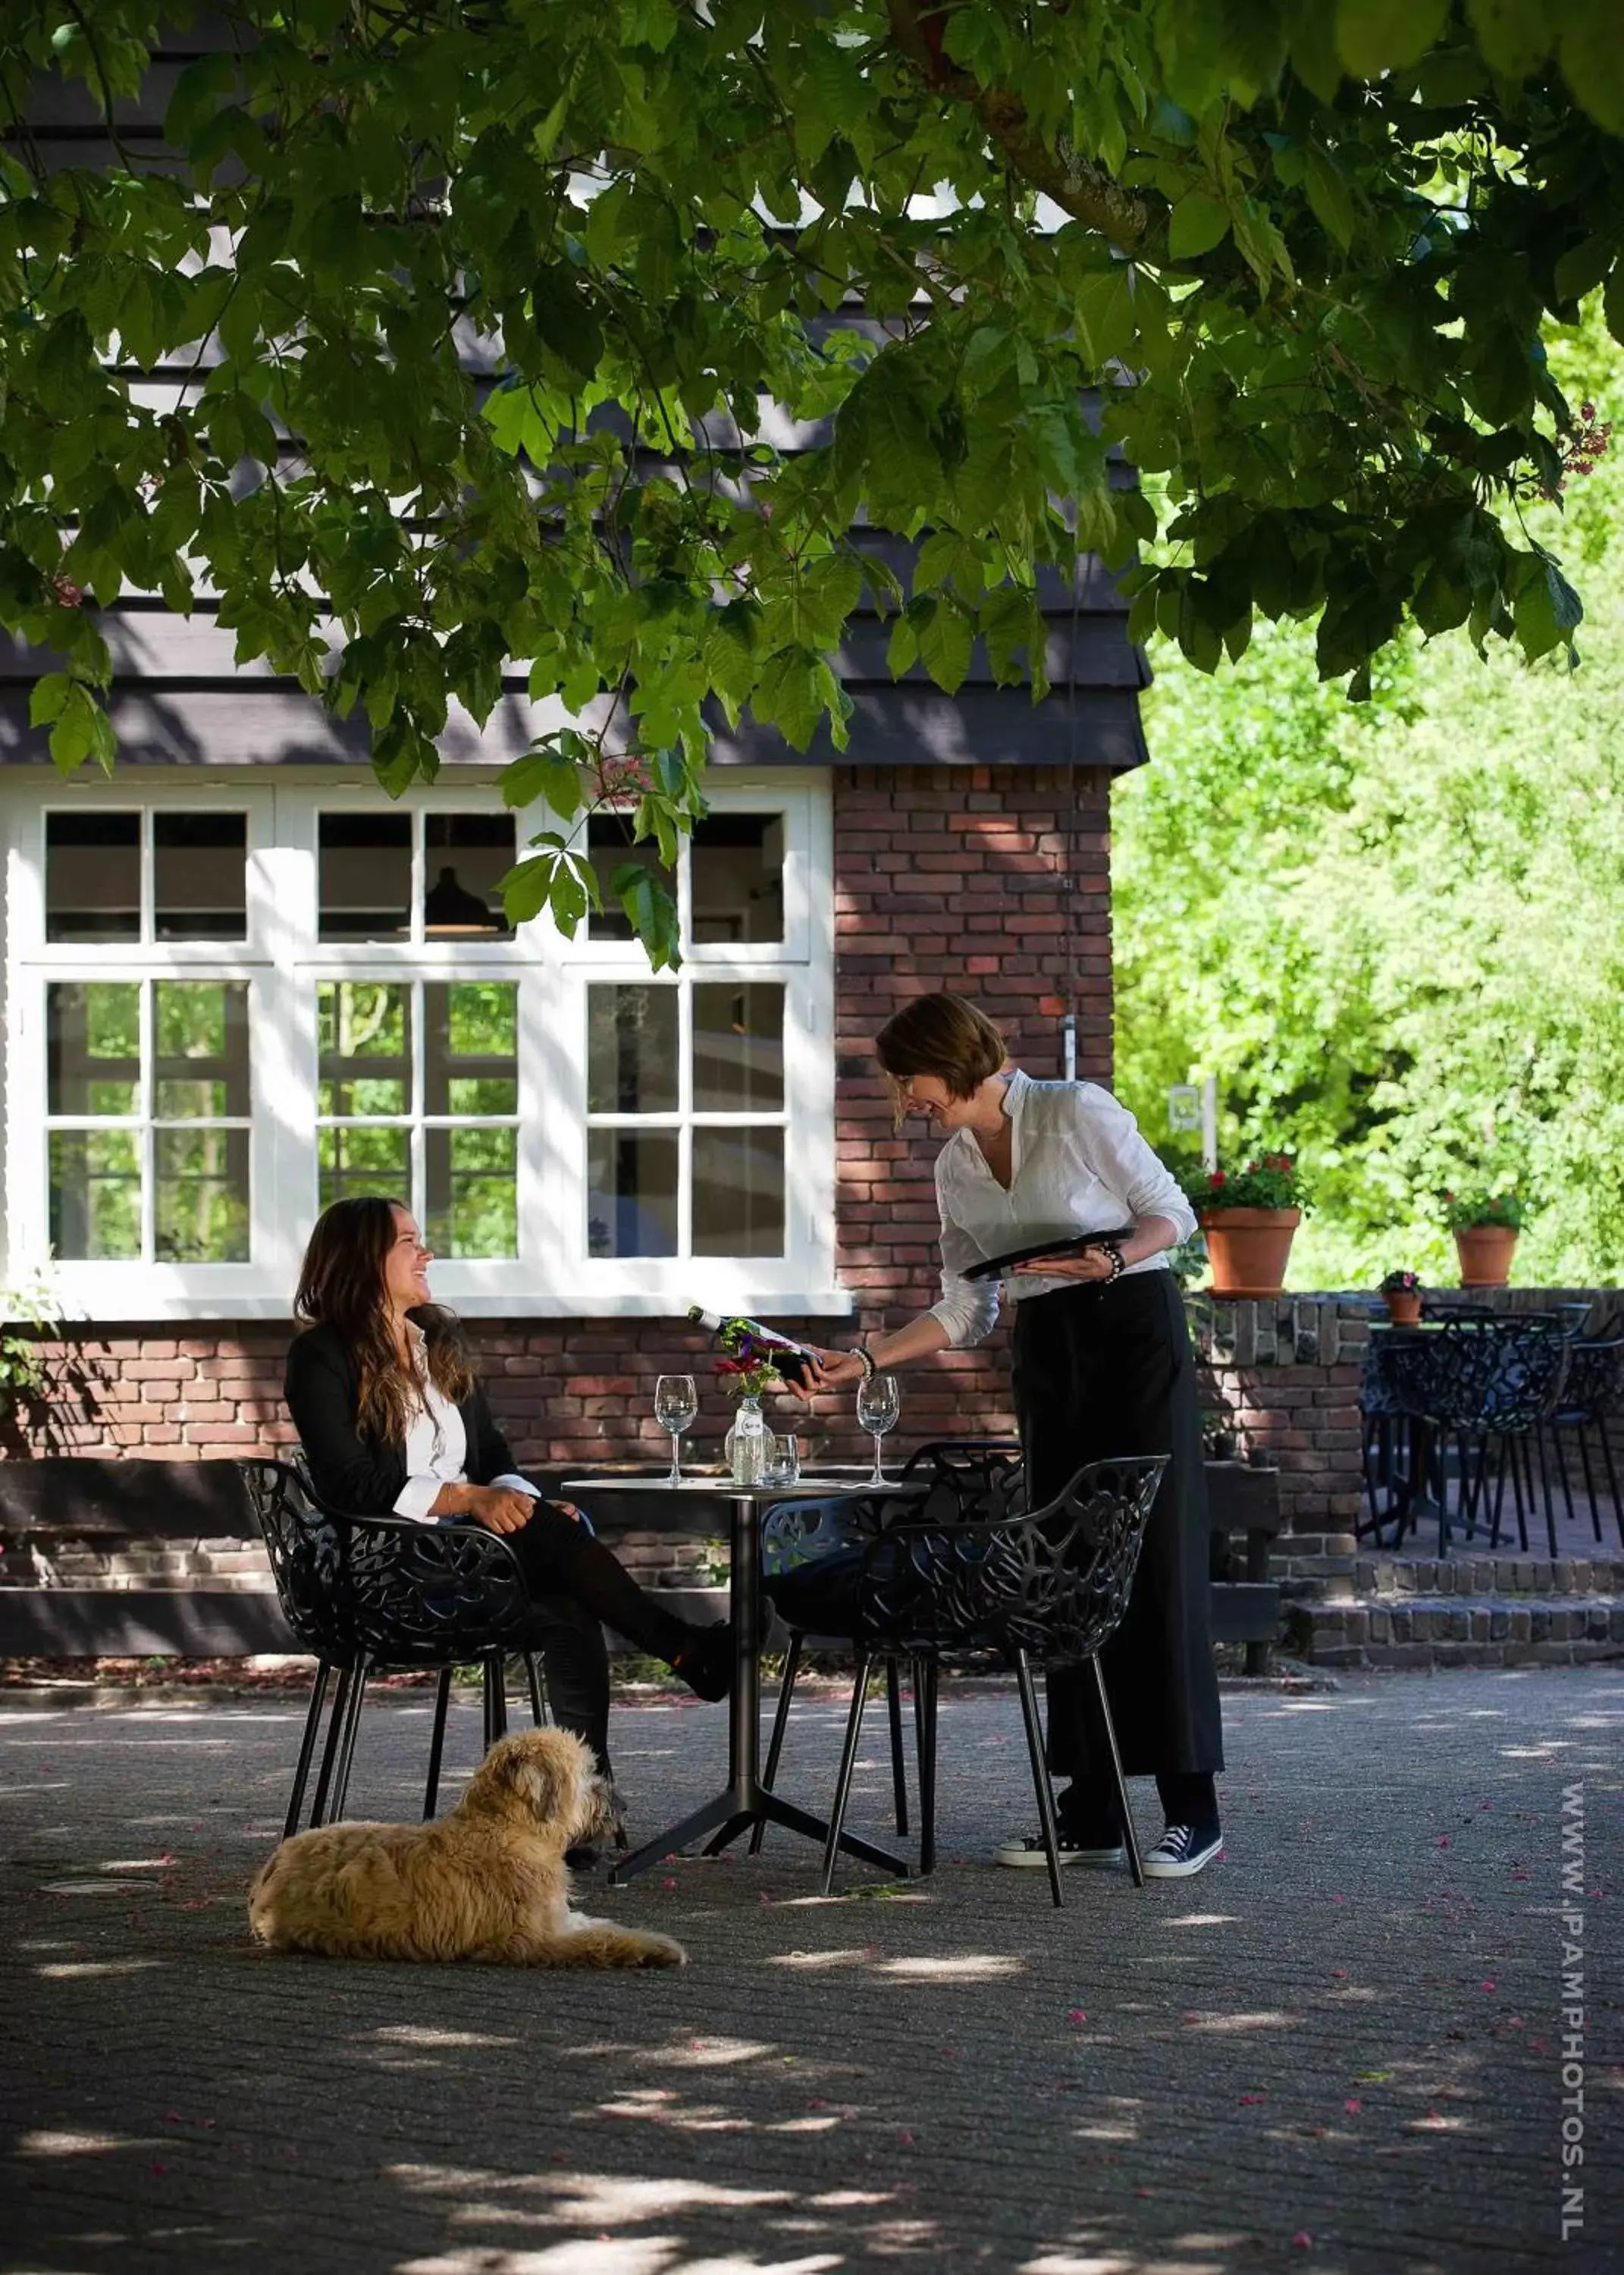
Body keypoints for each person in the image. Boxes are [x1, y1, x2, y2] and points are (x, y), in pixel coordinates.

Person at [797, 993, 1225, 1880]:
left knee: (1151, 1556)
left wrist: (1104, 1258)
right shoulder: (955, 1166)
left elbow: (1172, 1213)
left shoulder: (1076, 1110)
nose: (904, 1098)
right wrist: (867, 1362)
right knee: (1063, 1566)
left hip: (1133, 1331)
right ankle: (1093, 1810)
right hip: (1049, 1352)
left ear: (949, 1058)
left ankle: (1194, 1809)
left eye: (907, 1079)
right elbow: (967, 1304)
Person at [284, 1196, 732, 1834]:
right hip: (385, 1574)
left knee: (566, 1595)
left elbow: (491, 1452)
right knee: (557, 1557)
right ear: (363, 1258)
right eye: (409, 1242)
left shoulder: (434, 1339)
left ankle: (580, 1809)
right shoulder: (321, 1356)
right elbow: (349, 1484)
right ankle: (682, 1651)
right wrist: (471, 1500)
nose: (426, 1253)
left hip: (463, 1558)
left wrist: (520, 1498)